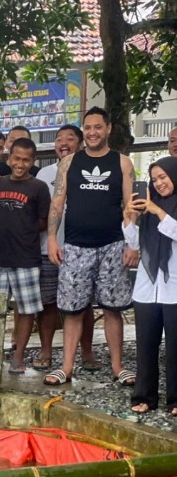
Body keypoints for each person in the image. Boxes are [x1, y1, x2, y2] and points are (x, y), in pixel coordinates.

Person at [45, 107, 137, 387]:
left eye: (98, 127)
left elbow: (130, 206)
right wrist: (51, 238)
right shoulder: (69, 163)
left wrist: (132, 244)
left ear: (108, 128)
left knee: (113, 308)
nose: (93, 132)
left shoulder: (122, 163)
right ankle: (67, 368)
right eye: (88, 127)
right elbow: (57, 203)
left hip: (112, 245)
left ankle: (118, 367)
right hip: (75, 246)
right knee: (72, 310)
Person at [33, 125, 98, 371]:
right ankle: (46, 352)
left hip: (82, 249)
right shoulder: (44, 174)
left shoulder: (91, 170)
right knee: (48, 303)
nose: (63, 142)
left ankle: (88, 353)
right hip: (47, 249)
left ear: (80, 144)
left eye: (70, 139)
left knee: (83, 305)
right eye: (59, 139)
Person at [0, 139, 51, 374]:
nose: (20, 164)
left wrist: (24, 231)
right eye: (16, 158)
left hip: (26, 258)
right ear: (9, 158)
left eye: (26, 160)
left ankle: (18, 355)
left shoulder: (39, 188)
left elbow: (44, 221)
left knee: (26, 310)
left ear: (32, 161)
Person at [123, 158, 177, 415]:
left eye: (163, 177)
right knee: (145, 345)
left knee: (175, 347)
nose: (159, 183)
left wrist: (157, 211)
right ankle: (144, 396)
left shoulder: (159, 209)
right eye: (154, 179)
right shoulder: (149, 210)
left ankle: (175, 400)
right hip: (147, 287)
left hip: (174, 288)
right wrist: (129, 218)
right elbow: (135, 244)